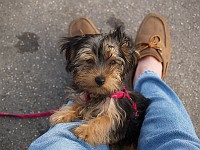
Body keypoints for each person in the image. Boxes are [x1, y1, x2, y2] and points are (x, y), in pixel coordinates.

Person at [29, 13, 200, 150]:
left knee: (62, 138)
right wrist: (73, 111)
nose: (100, 74)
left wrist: (90, 127)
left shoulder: (116, 102)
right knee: (171, 125)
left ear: (124, 65)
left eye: (112, 62)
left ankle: (146, 74)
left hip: (128, 139)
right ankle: (148, 75)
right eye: (89, 61)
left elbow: (110, 122)